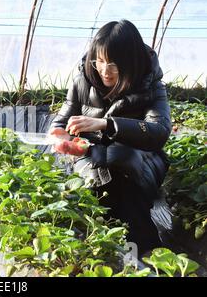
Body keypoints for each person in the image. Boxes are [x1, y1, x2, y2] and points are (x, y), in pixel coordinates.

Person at [48, 20, 171, 257]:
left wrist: (107, 124)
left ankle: (144, 251)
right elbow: (61, 121)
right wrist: (62, 136)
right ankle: (111, 252)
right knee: (99, 176)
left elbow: (159, 131)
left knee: (122, 167)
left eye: (113, 63)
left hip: (141, 160)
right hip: (92, 158)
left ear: (131, 62)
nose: (104, 70)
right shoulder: (83, 80)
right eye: (100, 61)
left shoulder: (151, 85)